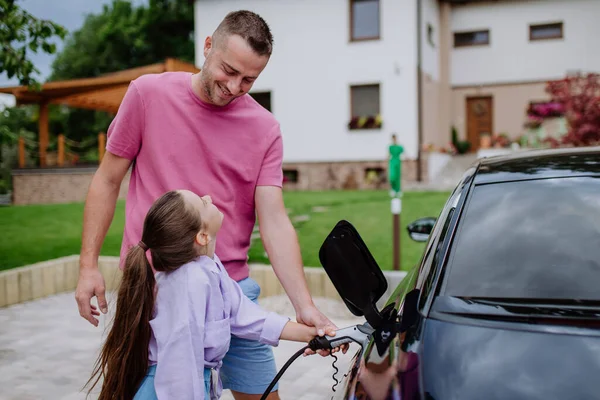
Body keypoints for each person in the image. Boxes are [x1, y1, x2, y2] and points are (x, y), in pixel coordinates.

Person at [75, 9, 343, 399]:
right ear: (207, 48)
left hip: (230, 291)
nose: (234, 86)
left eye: (249, 79)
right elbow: (107, 180)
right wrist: (87, 267)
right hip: (152, 293)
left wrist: (304, 306)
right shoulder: (147, 95)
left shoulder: (265, 129)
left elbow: (274, 221)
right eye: (228, 70)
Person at [85, 190, 327, 399]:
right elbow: (180, 366)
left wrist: (314, 334)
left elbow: (245, 316)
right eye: (202, 203)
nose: (208, 197)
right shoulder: (189, 283)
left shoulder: (209, 268)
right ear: (202, 236)